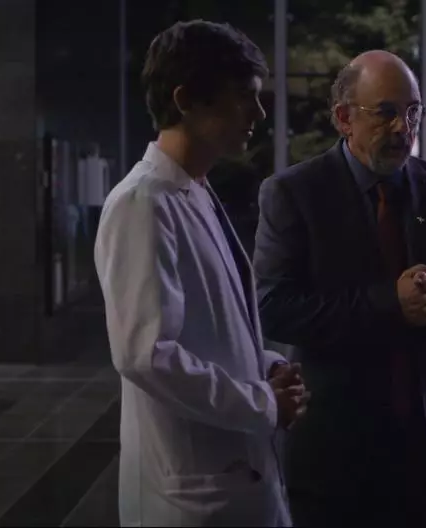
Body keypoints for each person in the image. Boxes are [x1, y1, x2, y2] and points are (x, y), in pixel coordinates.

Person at [252, 49, 426, 526]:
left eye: (412, 112)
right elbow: (272, 306)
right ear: (343, 118)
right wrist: (393, 304)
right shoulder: (294, 194)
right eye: (385, 112)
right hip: (335, 455)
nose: (402, 128)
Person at [94, 20, 308, 527]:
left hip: (233, 478)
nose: (258, 113)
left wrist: (264, 366)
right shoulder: (143, 202)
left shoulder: (194, 190)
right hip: (193, 498)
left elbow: (209, 330)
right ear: (187, 99)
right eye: (244, 96)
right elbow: (146, 354)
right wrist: (261, 403)